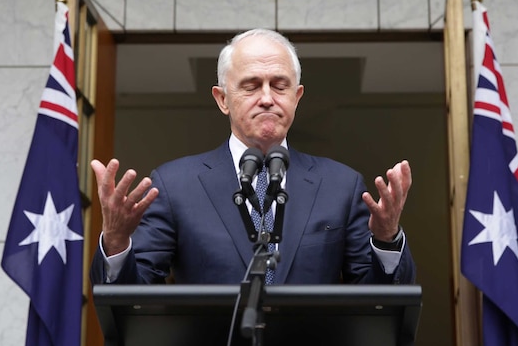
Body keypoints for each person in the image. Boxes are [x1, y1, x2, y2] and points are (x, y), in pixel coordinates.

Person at [90, 28, 415, 285]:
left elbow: (378, 302)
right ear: (222, 99)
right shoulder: (175, 186)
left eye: (279, 85)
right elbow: (136, 298)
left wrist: (386, 239)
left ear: (297, 96)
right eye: (250, 85)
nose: (266, 98)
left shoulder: (340, 185)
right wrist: (117, 241)